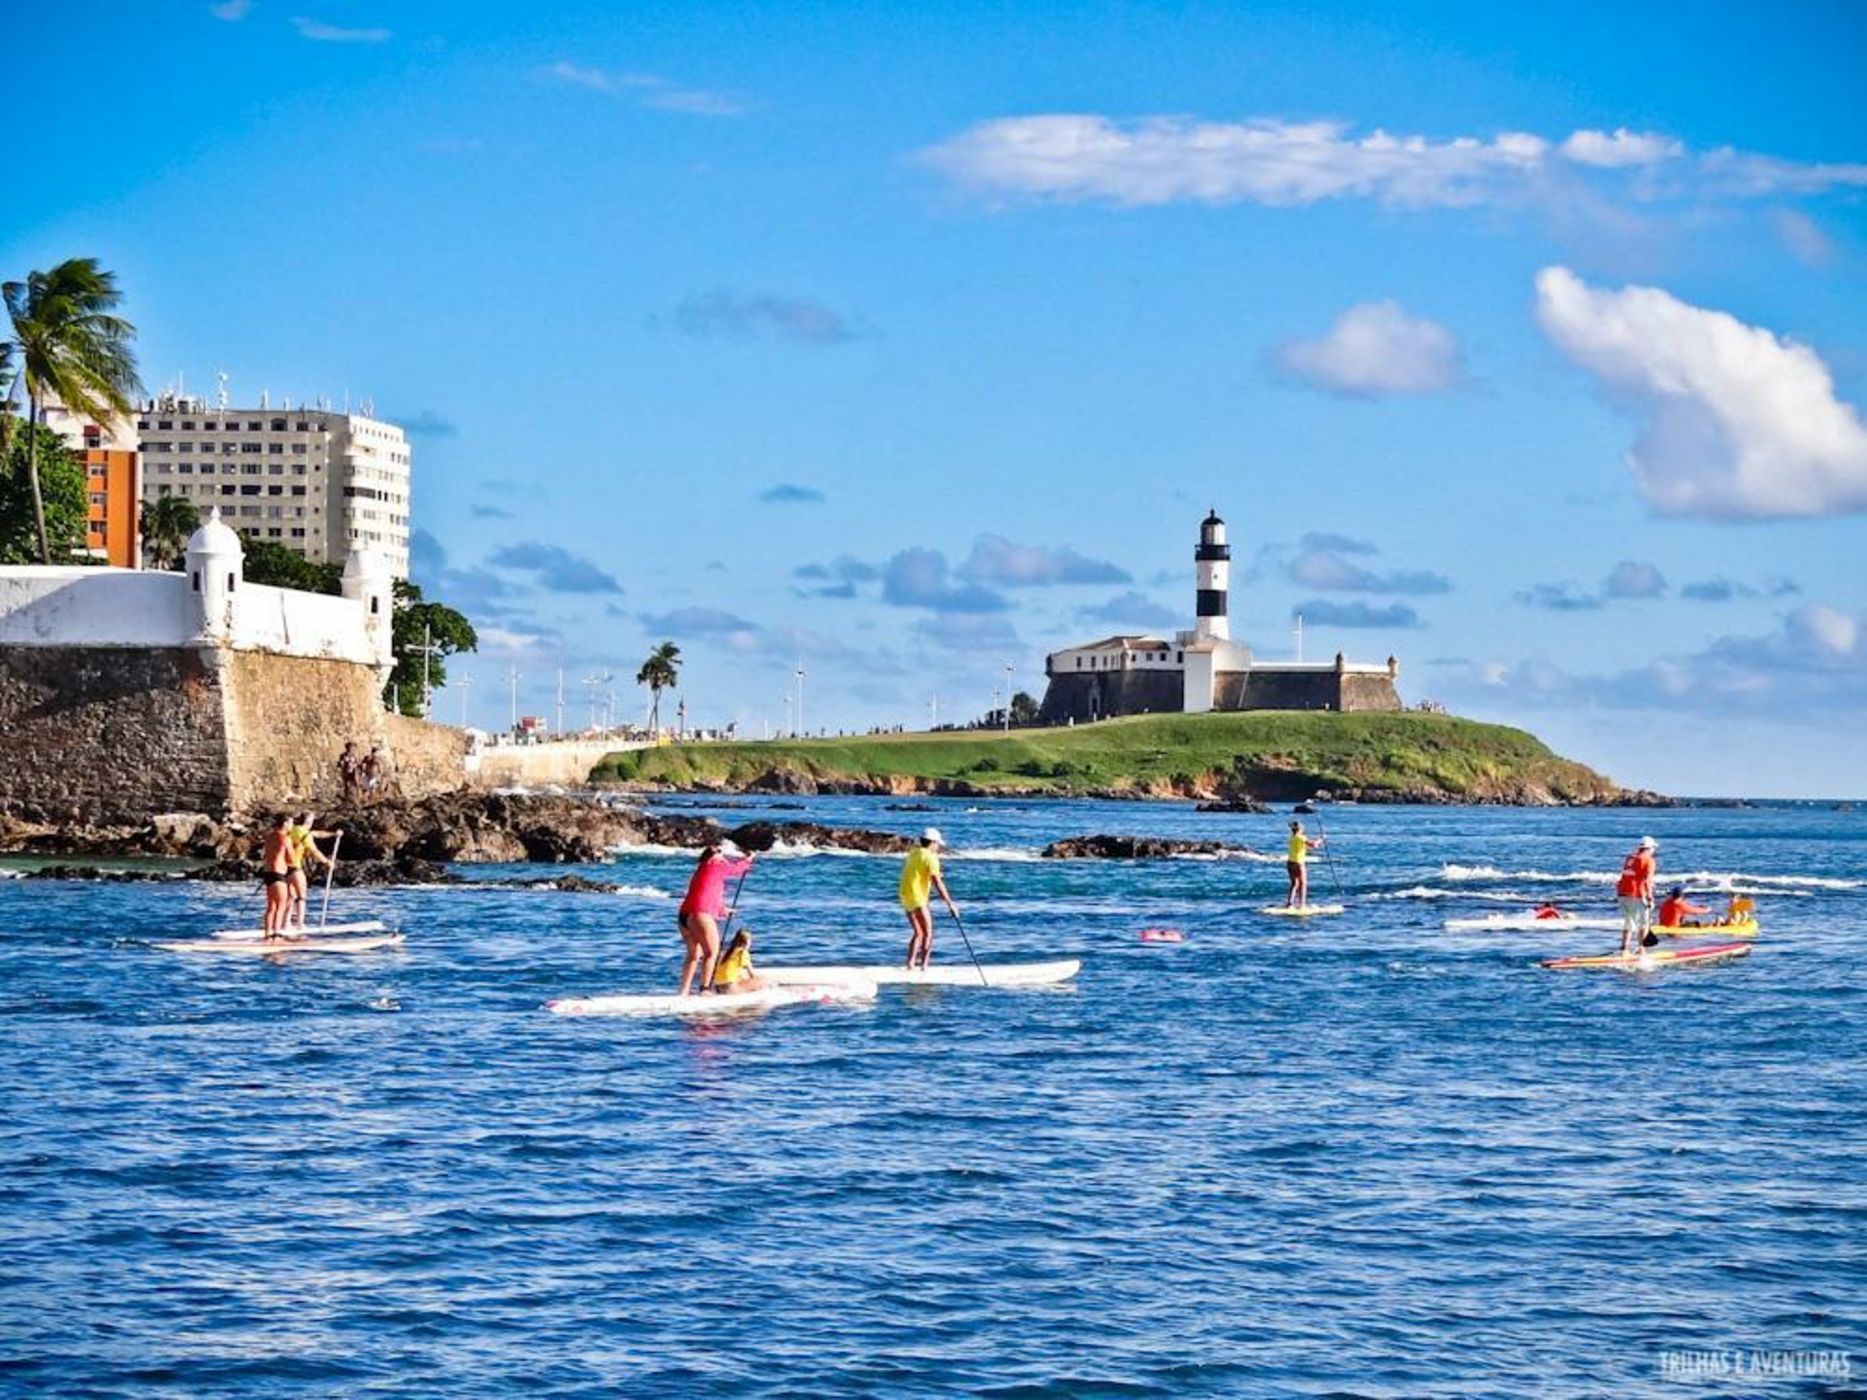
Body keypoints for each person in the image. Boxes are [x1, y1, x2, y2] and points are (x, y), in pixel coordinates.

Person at [677, 840, 753, 996]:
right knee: (711, 953)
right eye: (720, 854)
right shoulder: (715, 866)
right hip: (699, 915)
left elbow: (707, 894)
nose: (723, 857)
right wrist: (748, 859)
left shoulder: (701, 869)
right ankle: (704, 989)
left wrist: (723, 910)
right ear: (713, 857)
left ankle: (683, 991)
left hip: (684, 916)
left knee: (693, 955)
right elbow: (737, 869)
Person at [901, 828, 958, 970]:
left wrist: (935, 874)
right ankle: (924, 966)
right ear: (932, 843)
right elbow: (938, 883)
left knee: (918, 932)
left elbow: (918, 871)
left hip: (905, 895)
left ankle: (910, 964)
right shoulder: (931, 857)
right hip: (918, 898)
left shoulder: (914, 853)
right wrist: (950, 904)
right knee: (928, 933)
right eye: (937, 844)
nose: (938, 847)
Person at [285, 813, 338, 931]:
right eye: (312, 820)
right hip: (295, 867)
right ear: (308, 821)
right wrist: (327, 862)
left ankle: (286, 923)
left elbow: (316, 834)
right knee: (301, 896)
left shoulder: (292, 829)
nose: (312, 822)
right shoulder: (304, 833)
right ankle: (300, 924)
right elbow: (314, 850)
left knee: (290, 896)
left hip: (284, 868)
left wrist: (334, 834)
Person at [1615, 835, 1659, 956]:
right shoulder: (1649, 860)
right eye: (1653, 848)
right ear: (1649, 848)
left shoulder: (1630, 858)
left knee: (1628, 922)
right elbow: (1648, 880)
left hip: (1622, 893)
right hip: (1638, 895)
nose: (1654, 850)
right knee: (1643, 924)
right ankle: (1641, 949)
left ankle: (1624, 949)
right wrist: (1650, 897)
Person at [260, 813, 294, 937]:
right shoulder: (285, 838)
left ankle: (267, 933)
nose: (292, 826)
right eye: (291, 823)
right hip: (278, 874)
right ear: (285, 824)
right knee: (281, 904)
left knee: (271, 906)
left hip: (268, 873)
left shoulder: (269, 837)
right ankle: (276, 933)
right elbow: (291, 859)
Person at [711, 929, 766, 994]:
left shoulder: (727, 952)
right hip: (730, 988)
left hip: (717, 987)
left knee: (741, 978)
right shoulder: (743, 953)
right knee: (762, 981)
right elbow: (752, 975)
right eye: (751, 941)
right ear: (747, 942)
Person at [1285, 820, 1324, 909]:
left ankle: (1289, 904)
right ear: (1300, 829)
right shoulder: (1301, 837)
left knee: (1294, 883)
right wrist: (1321, 839)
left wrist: (1316, 844)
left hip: (1290, 862)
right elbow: (1313, 845)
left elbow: (1305, 847)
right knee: (1303, 884)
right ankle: (1302, 904)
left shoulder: (1291, 838)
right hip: (1299, 863)